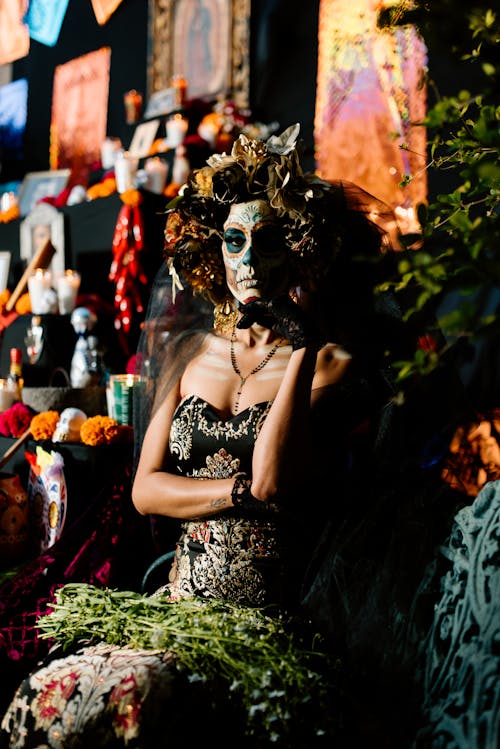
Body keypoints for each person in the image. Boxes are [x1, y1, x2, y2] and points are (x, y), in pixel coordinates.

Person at [0, 124, 405, 748]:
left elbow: (273, 479)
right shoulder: (192, 354)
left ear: (301, 252)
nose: (246, 261)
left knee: (144, 705)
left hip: (265, 620)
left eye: (267, 241)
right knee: (51, 692)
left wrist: (304, 343)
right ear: (214, 251)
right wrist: (237, 494)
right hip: (176, 605)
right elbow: (146, 491)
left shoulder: (333, 365)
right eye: (233, 241)